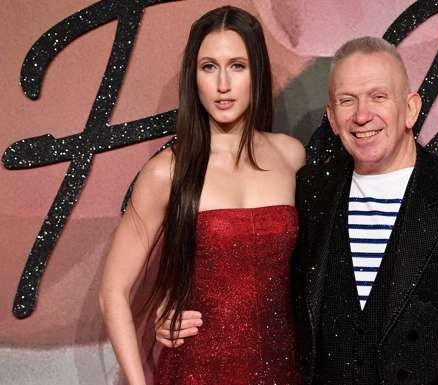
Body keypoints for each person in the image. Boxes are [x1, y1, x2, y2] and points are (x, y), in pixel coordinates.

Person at [160, 36, 438, 384]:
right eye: (347, 100)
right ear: (331, 117)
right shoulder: (311, 190)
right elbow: (260, 282)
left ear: (410, 109)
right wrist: (177, 310)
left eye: (378, 96)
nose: (362, 115)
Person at [98, 6, 305, 385]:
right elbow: (112, 290)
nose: (223, 84)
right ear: (193, 78)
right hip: (195, 371)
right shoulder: (167, 171)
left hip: (283, 369)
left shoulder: (291, 157)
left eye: (237, 66)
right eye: (209, 67)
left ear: (257, 72)